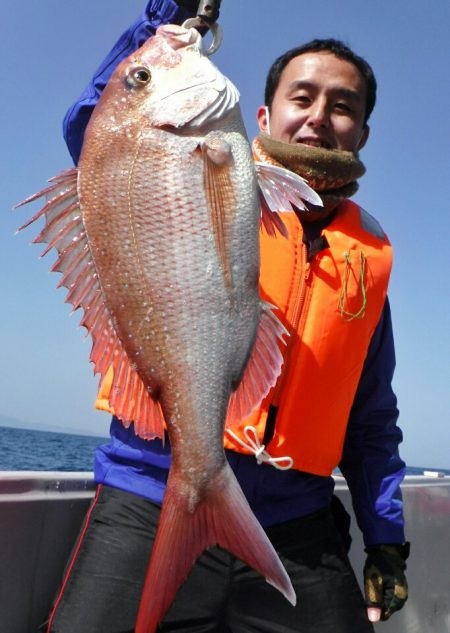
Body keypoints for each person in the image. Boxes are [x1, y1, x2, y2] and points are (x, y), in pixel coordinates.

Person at [42, 1, 409, 632]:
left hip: (300, 524)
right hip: (151, 495)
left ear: (362, 134)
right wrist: (170, 16)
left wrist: (386, 538)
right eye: (302, 97)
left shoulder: (366, 262)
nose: (319, 117)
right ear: (264, 115)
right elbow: (97, 127)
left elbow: (372, 419)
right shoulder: (196, 166)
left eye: (342, 106)